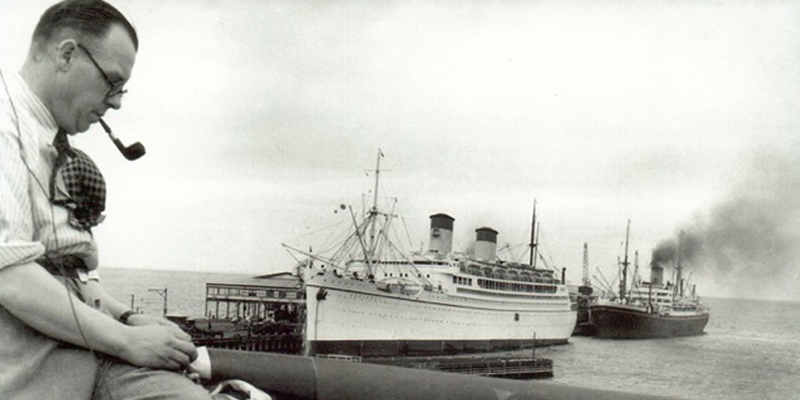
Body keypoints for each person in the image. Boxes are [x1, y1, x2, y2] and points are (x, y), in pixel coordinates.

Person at [0, 1, 212, 399]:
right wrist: (128, 341)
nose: (115, 102)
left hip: (88, 348)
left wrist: (130, 318)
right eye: (111, 83)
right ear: (66, 55)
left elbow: (69, 273)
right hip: (26, 360)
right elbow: (9, 276)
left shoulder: (53, 137)